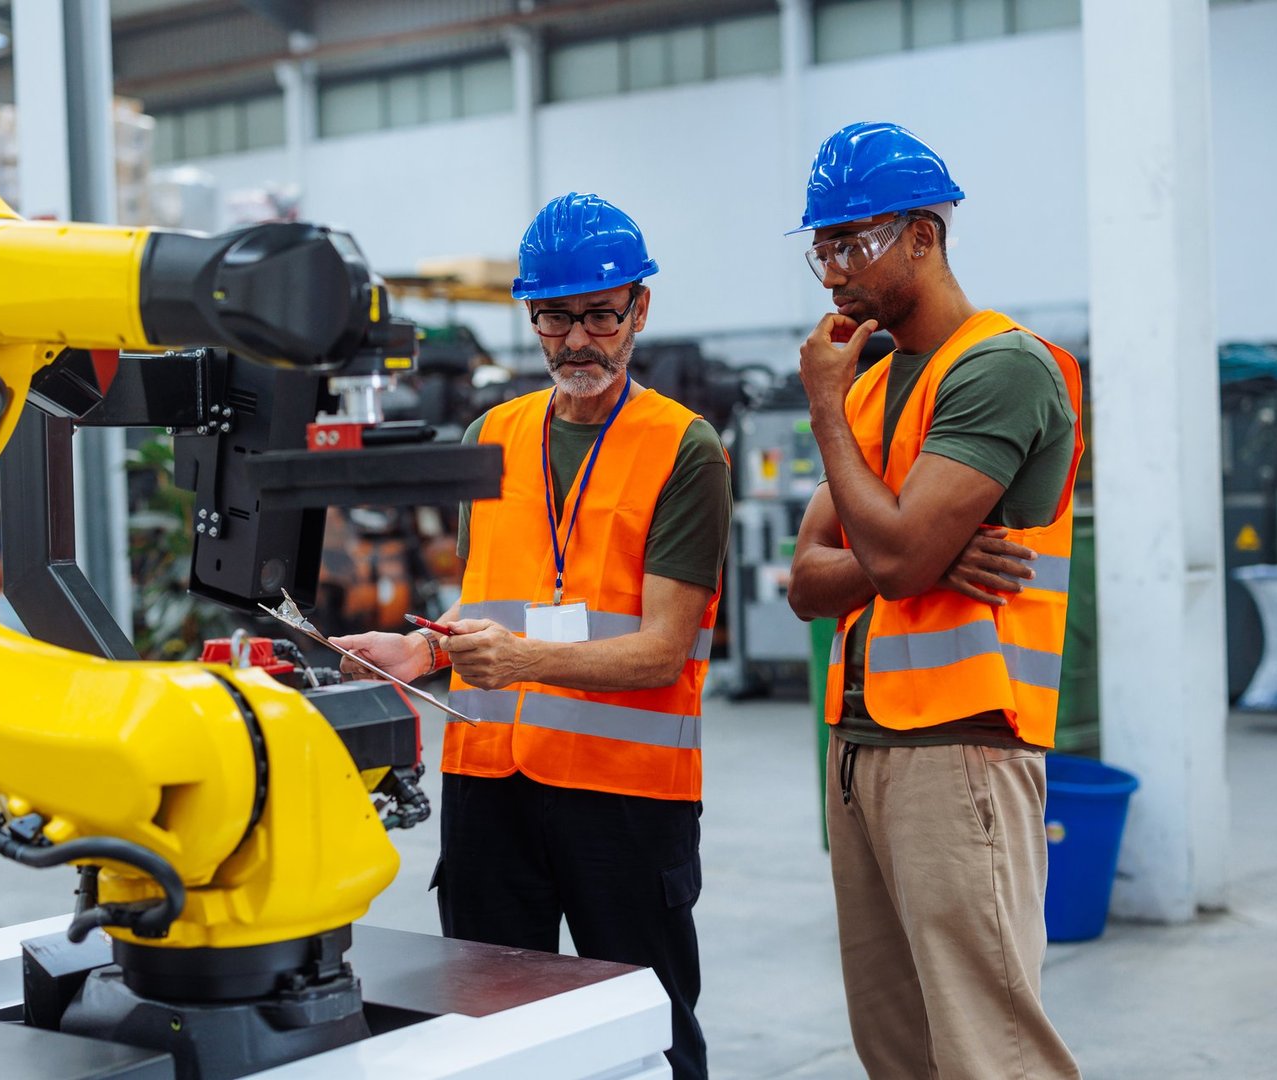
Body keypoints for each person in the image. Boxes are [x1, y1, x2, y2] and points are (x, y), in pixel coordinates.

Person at [331, 192, 731, 1080]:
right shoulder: (493, 436)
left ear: (639, 309)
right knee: (485, 1034)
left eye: (598, 314)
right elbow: (493, 607)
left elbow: (664, 649)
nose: (577, 341)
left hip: (623, 803)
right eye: (554, 317)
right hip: (490, 791)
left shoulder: (684, 450)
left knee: (649, 1036)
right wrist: (425, 652)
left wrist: (516, 662)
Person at [785, 121, 1085, 1079]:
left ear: (925, 233)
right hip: (866, 747)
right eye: (821, 249)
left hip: (961, 750)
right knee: (899, 1050)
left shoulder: (1000, 367)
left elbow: (898, 559)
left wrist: (830, 416)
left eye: (854, 242)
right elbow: (805, 581)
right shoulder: (878, 386)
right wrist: (911, 550)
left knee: (989, 1051)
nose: (835, 274)